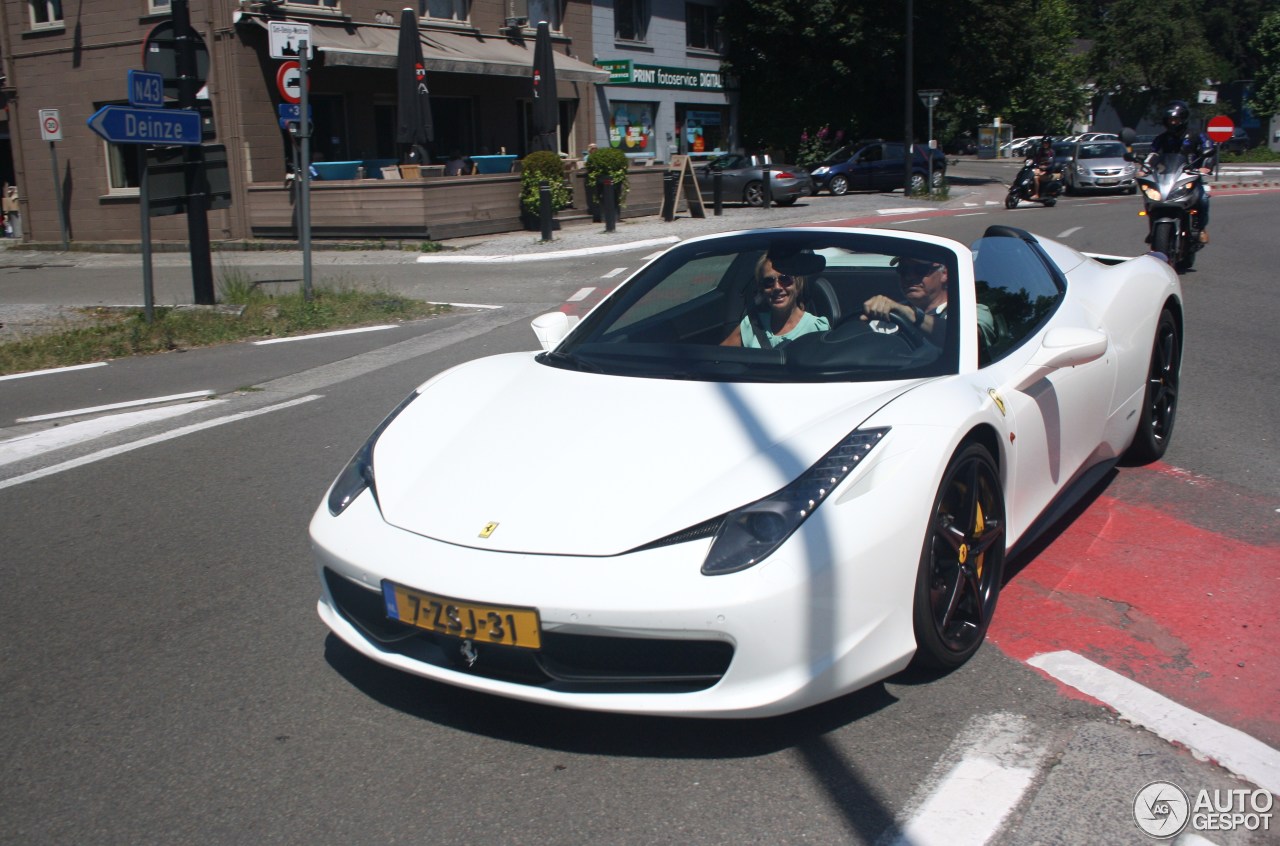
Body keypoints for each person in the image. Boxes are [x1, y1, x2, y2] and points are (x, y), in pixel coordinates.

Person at [862, 257, 997, 348]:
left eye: (920, 270)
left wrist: (912, 315)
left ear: (945, 274)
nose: (909, 277)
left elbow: (969, 341)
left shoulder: (971, 312)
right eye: (903, 271)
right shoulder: (887, 313)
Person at [1145, 100, 1216, 243]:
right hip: (1166, 177)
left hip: (1190, 176)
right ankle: (1154, 230)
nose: (1172, 123)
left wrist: (1206, 166)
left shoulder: (1196, 135)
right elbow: (1153, 154)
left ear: (1183, 119)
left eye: (1175, 119)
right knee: (1151, 200)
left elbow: (1209, 150)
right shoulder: (1161, 139)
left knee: (1202, 199)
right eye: (1170, 119)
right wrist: (1144, 168)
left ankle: (1200, 228)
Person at [721, 254, 830, 348]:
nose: (777, 287)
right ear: (761, 289)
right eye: (769, 281)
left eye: (785, 279)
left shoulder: (817, 328)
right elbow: (719, 358)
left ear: (798, 284)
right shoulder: (751, 325)